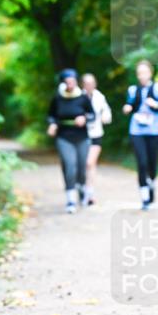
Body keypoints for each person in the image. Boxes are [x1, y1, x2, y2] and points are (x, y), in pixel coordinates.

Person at [123, 60, 158, 210]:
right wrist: (127, 108)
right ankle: (144, 197)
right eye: (139, 73)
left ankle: (152, 183)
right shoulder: (133, 90)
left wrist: (157, 105)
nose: (142, 76)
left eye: (144, 72)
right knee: (142, 163)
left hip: (155, 131)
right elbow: (130, 105)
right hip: (137, 131)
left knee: (152, 164)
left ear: (150, 73)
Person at [46, 69, 95, 214]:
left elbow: (92, 114)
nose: (70, 84)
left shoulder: (83, 97)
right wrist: (52, 124)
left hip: (82, 137)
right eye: (67, 81)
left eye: (72, 81)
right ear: (63, 83)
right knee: (69, 166)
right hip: (64, 137)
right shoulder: (58, 98)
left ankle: (81, 187)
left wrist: (84, 118)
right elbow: (51, 115)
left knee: (81, 167)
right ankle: (71, 199)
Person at [82, 73, 112, 206]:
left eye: (92, 83)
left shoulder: (100, 97)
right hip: (81, 135)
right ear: (83, 84)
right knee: (82, 164)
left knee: (90, 163)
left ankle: (90, 192)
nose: (90, 86)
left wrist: (106, 117)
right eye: (87, 83)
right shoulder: (78, 97)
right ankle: (82, 187)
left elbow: (107, 111)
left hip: (96, 134)